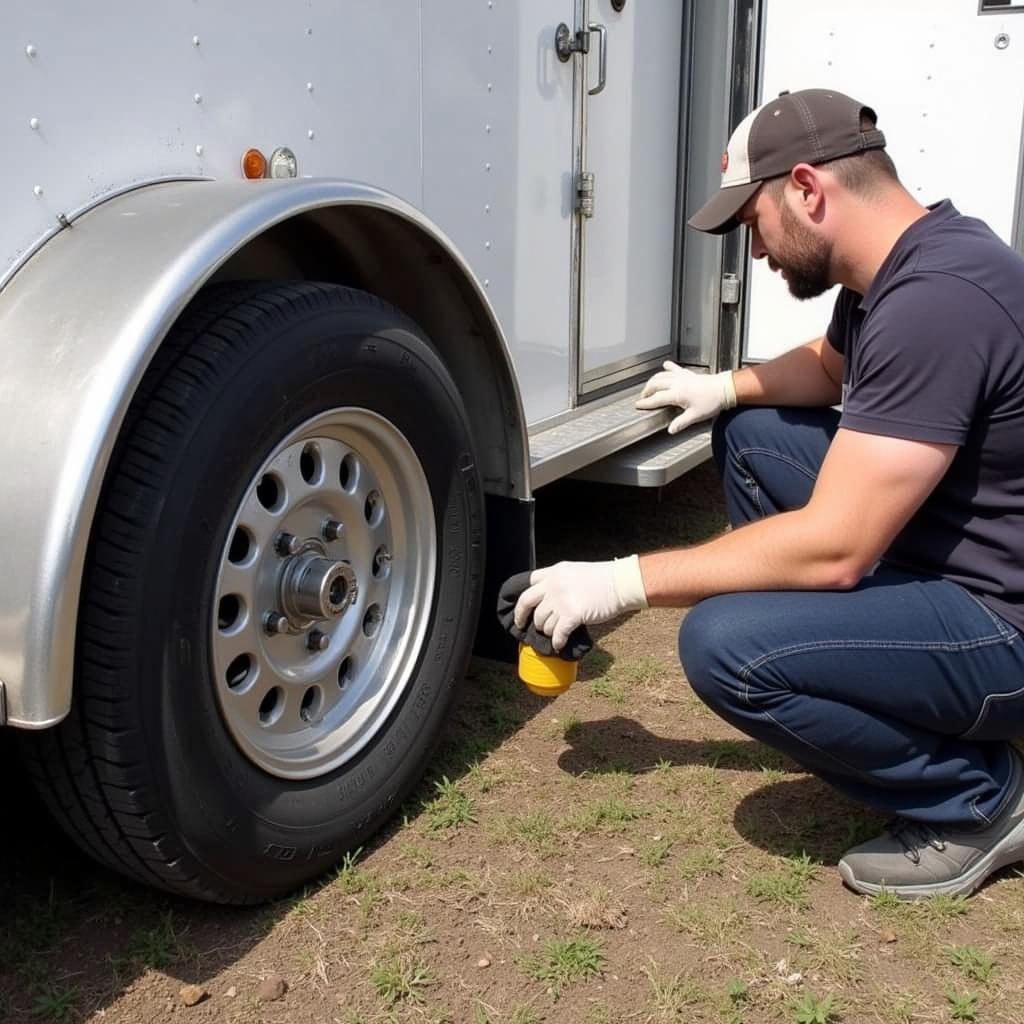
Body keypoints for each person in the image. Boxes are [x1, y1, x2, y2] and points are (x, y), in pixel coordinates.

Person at [513, 88, 1024, 900]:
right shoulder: (910, 260)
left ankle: (976, 800)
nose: (754, 253)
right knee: (753, 438)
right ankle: (858, 669)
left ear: (809, 190)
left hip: (1003, 629)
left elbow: (836, 546)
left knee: (727, 647)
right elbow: (828, 371)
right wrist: (723, 388)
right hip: (970, 557)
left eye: (753, 223)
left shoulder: (937, 302)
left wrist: (620, 581)